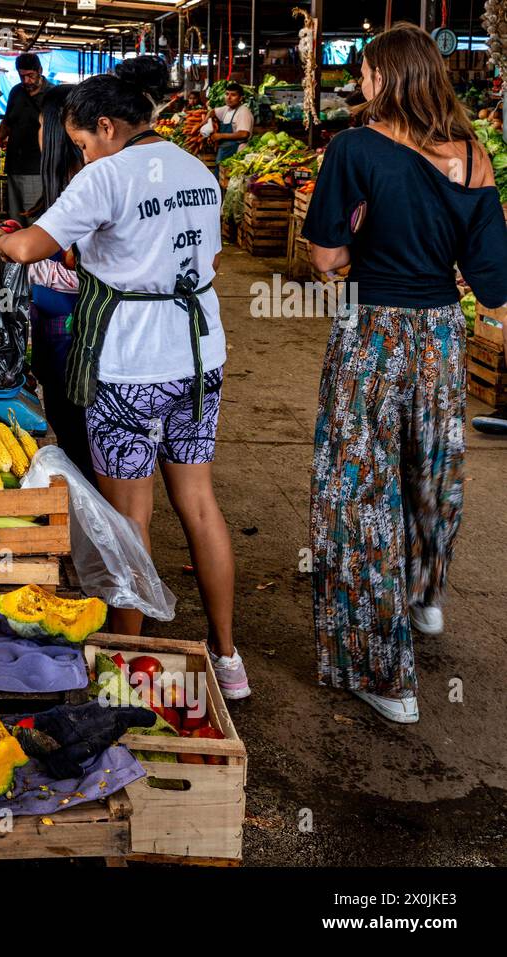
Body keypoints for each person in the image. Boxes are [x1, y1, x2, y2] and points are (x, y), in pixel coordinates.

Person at [0, 56, 248, 700]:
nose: (80, 158)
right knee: (199, 503)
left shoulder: (105, 177)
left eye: (80, 144)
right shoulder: (198, 170)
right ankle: (228, 657)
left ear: (106, 126)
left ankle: (130, 660)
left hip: (130, 365)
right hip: (199, 357)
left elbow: (28, 251)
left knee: (129, 516)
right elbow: (198, 255)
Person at [303, 23, 507, 725]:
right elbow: (494, 280)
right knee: (431, 468)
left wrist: (360, 248)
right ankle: (424, 596)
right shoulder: (475, 157)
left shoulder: (354, 149)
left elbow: (326, 258)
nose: (359, 84)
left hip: (372, 331)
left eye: (364, 73)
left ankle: (384, 676)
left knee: (358, 491)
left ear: (385, 78)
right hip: (444, 336)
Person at [25, 83, 94, 478]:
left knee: (77, 429)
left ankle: (98, 518)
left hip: (72, 329)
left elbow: (79, 267)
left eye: (39, 124)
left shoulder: (83, 183)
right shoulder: (64, 183)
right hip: (55, 324)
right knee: (70, 426)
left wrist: (11, 245)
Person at [0, 51, 51, 224]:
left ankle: (33, 251)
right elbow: (7, 120)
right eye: (22, 76)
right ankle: (15, 251)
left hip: (37, 167)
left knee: (33, 218)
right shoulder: (16, 91)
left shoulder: (51, 95)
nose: (26, 81)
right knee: (15, 217)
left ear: (40, 70)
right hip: (14, 164)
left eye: (30, 76)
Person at [207, 82, 253, 170]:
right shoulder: (226, 109)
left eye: (233, 95)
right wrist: (204, 125)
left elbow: (244, 134)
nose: (229, 97)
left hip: (236, 153)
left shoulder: (243, 112)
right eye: (227, 94)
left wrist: (220, 136)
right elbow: (212, 112)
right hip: (224, 151)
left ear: (241, 98)